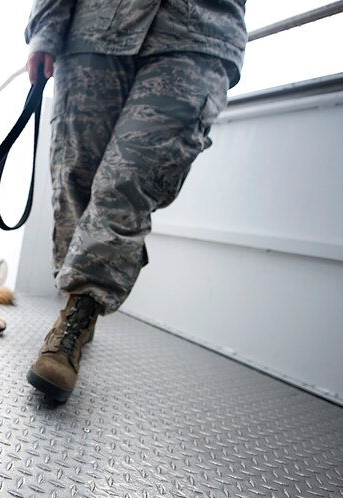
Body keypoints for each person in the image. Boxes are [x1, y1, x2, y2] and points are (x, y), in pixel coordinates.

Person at [24, 0, 247, 402]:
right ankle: (80, 305)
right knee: (75, 177)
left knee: (127, 186)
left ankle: (79, 314)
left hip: (196, 37)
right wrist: (45, 29)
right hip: (93, 30)